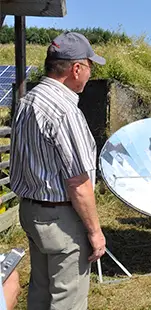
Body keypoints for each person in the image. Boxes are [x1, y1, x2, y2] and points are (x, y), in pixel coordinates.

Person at [10, 32, 107, 309]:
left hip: (32, 211)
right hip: (62, 219)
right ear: (77, 69)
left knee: (41, 290)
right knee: (67, 299)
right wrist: (95, 232)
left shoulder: (28, 99)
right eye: (90, 66)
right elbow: (78, 183)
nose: (90, 74)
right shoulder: (64, 111)